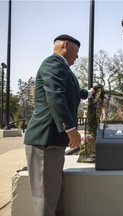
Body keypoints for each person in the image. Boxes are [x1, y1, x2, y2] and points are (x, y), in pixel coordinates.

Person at [24, 34, 94, 216]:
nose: (77, 57)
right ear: (65, 45)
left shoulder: (62, 68)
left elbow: (72, 91)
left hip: (52, 140)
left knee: (53, 193)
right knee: (46, 198)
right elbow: (56, 95)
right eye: (76, 51)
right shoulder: (53, 63)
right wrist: (70, 129)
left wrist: (88, 93)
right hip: (44, 139)